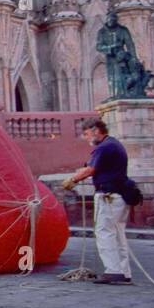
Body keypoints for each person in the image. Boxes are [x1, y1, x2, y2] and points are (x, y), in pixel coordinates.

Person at [63, 118, 132, 285]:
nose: (86, 138)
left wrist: (73, 180)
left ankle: (113, 271)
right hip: (120, 196)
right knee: (118, 235)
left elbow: (91, 169)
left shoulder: (104, 148)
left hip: (108, 196)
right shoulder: (115, 144)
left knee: (104, 233)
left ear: (95, 130)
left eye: (87, 134)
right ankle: (123, 271)